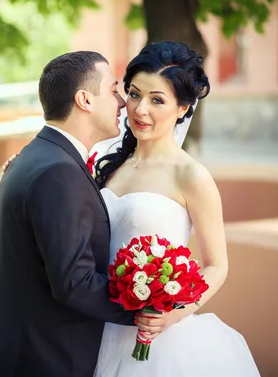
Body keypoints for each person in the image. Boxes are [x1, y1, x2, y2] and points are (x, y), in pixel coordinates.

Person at [92, 41, 260, 376]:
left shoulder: (191, 175)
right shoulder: (109, 165)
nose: (140, 110)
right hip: (99, 327)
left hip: (159, 339)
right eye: (135, 94)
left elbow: (216, 265)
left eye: (157, 100)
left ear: (183, 108)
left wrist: (173, 314)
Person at [0, 51, 145, 377]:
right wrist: (146, 307)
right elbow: (75, 283)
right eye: (113, 90)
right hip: (48, 360)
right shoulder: (58, 171)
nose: (122, 102)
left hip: (25, 352)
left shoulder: (35, 157)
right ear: (85, 99)